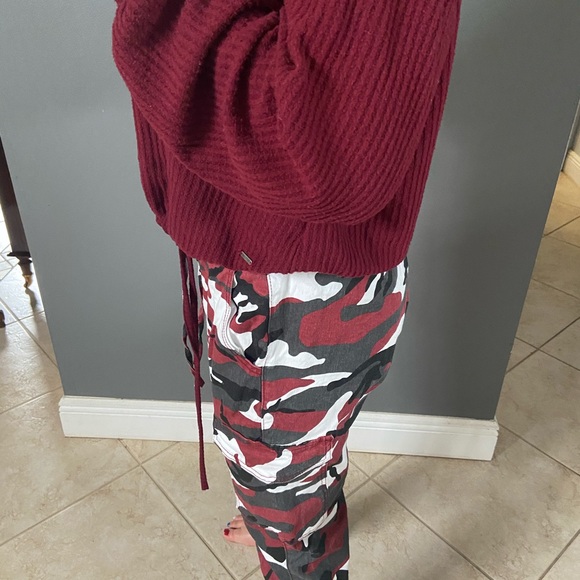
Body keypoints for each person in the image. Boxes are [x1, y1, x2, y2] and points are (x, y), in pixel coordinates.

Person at [112, 1, 462, 578]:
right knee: (302, 461)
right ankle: (288, 516)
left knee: (283, 489)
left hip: (290, 287)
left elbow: (329, 150)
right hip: (273, 269)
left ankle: (286, 529)